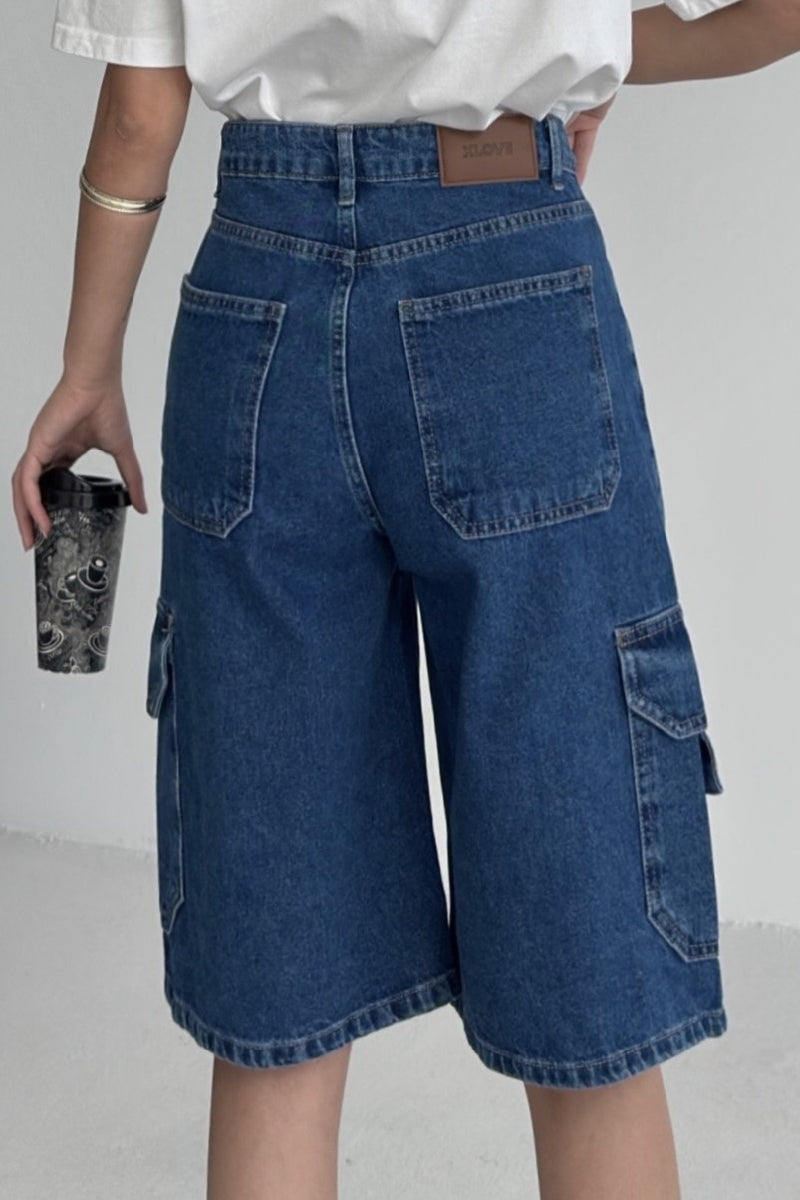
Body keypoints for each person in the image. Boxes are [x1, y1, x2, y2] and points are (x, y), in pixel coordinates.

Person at [12, 3, 800, 1198]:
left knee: (279, 995)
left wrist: (86, 368)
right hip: (514, 279)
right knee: (583, 940)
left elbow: (138, 110)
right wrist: (572, 49)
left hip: (257, 301)